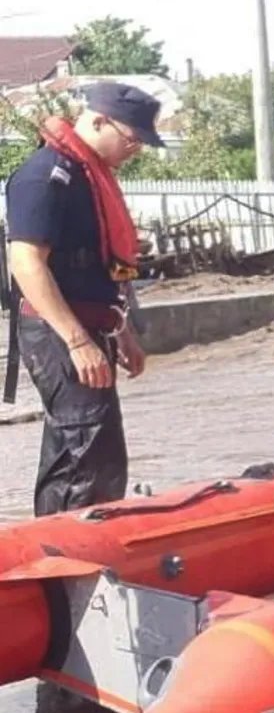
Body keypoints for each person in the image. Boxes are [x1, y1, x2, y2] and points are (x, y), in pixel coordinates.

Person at [3, 82, 159, 516]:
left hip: (93, 326)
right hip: (59, 333)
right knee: (83, 454)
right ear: (98, 120)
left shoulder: (89, 178)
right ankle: (65, 561)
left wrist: (122, 331)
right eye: (132, 139)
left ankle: (71, 547)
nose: (136, 150)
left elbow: (100, 267)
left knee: (96, 451)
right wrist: (76, 341)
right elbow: (26, 263)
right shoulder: (46, 176)